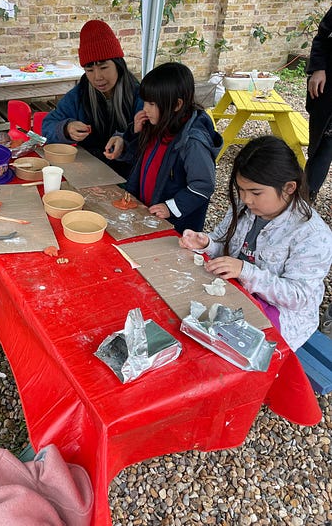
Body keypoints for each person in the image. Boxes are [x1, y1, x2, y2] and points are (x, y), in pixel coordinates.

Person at [179, 135, 332, 352]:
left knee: (215, 350)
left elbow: (297, 296)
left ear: (289, 188)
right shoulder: (246, 208)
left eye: (255, 192)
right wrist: (206, 243)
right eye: (241, 190)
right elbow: (223, 243)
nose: (246, 199)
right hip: (236, 292)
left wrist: (245, 271)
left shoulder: (312, 235)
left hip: (278, 314)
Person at [108, 62, 222, 233]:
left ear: (177, 105)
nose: (145, 109)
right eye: (145, 102)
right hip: (146, 212)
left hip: (176, 226)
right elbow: (137, 160)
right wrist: (132, 134)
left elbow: (203, 185)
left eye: (152, 104)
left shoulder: (192, 142)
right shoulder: (156, 123)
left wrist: (171, 207)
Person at [41, 20, 143, 177]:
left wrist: (125, 141)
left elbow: (151, 137)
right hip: (89, 172)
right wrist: (66, 129)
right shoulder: (79, 95)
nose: (97, 77)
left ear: (118, 64)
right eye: (89, 70)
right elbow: (47, 126)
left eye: (103, 67)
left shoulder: (139, 95)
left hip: (130, 175)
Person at [304, 6, 332, 203]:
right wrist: (318, 68)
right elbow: (323, 35)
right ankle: (306, 195)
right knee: (323, 143)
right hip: (328, 89)